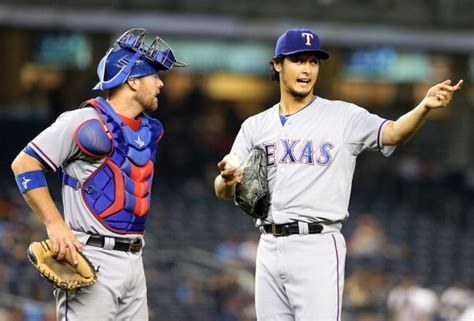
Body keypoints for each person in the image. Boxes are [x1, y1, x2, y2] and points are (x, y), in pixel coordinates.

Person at [214, 28, 463, 320]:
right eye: (298, 60)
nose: (307, 68)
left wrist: (423, 107)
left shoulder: (344, 116)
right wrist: (228, 179)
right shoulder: (255, 126)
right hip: (268, 244)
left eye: (313, 61)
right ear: (278, 64)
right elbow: (222, 188)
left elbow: (393, 133)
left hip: (317, 244)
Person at [11, 28, 186, 320]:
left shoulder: (148, 129)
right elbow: (24, 164)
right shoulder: (84, 122)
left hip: (134, 257)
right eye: (154, 75)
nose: (160, 83)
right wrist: (55, 225)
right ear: (132, 81)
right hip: (91, 255)